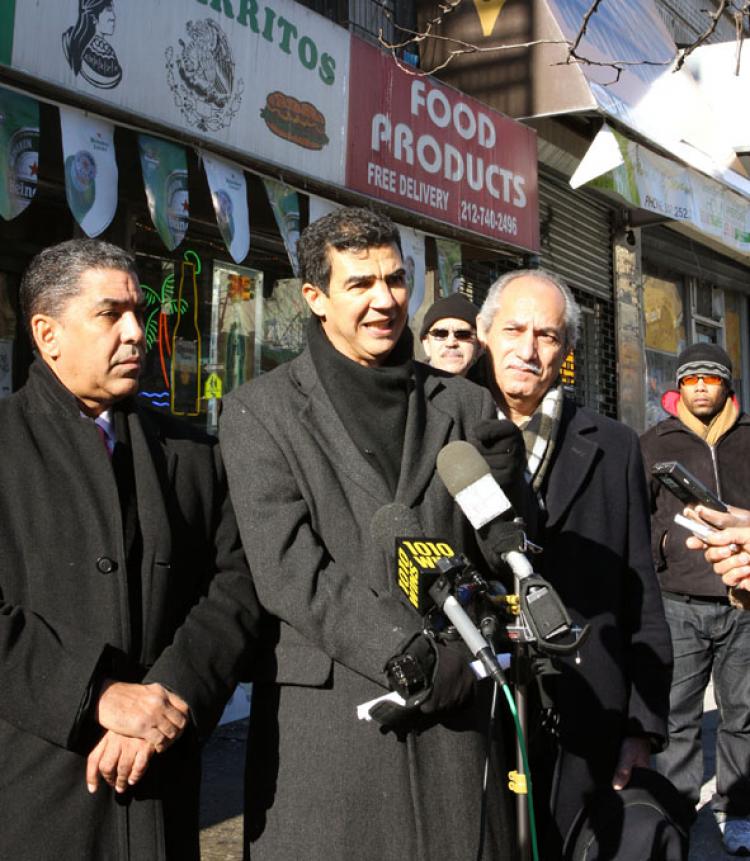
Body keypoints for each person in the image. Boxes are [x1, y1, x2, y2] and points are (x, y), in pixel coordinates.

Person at [219, 207, 517, 861]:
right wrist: (406, 651)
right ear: (316, 297)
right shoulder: (259, 411)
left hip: (456, 722)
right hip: (334, 732)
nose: (384, 300)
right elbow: (289, 568)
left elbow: (498, 559)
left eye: (396, 279)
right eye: (360, 284)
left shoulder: (465, 405)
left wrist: (513, 499)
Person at [0, 239, 259, 860]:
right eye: (110, 314)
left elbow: (237, 588)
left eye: (139, 313)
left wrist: (169, 694)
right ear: (47, 333)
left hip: (160, 791)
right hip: (34, 791)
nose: (137, 333)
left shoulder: (192, 453)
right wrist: (98, 695)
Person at [476, 268, 673, 858]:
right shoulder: (447, 428)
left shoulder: (612, 445)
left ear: (566, 350)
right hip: (478, 705)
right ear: (486, 333)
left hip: (587, 710)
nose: (528, 349)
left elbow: (639, 586)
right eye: (513, 329)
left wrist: (640, 727)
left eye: (547, 335)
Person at [640, 342, 750, 855]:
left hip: (743, 604)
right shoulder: (654, 442)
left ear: (728, 385)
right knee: (678, 716)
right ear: (678, 387)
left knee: (743, 715)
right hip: (678, 603)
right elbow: (639, 518)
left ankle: (738, 809)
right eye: (691, 378)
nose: (701, 385)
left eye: (711, 377)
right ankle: (677, 812)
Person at [419, 292, 481, 376]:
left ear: (479, 346)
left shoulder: (494, 387)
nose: (451, 343)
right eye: (440, 334)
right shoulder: (410, 386)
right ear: (427, 344)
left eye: (463, 335)